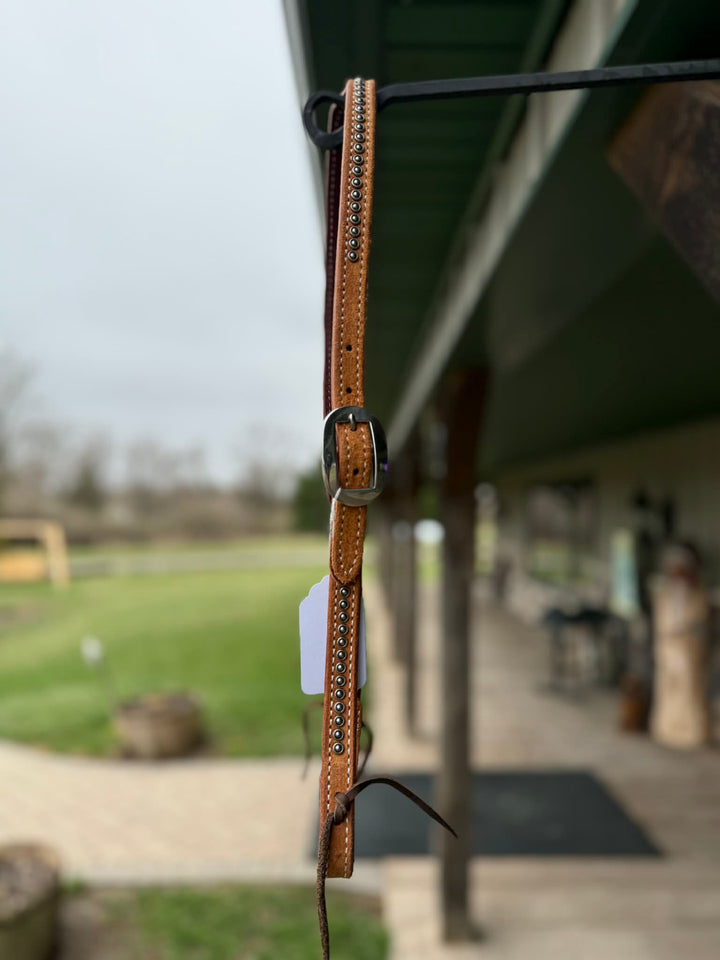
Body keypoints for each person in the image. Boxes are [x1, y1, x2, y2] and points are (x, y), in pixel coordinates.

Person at [650, 542, 710, 748]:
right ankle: (667, 730)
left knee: (689, 692)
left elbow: (699, 624)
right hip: (668, 649)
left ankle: (690, 732)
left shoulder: (698, 596)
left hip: (688, 650)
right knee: (668, 690)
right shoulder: (664, 596)